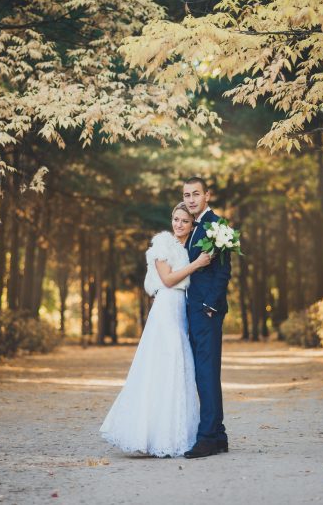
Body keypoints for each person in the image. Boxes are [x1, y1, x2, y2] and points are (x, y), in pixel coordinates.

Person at [100, 202, 212, 457]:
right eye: (175, 219)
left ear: (192, 224)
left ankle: (173, 433)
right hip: (165, 308)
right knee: (161, 364)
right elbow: (168, 279)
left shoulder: (190, 246)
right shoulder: (163, 244)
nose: (179, 224)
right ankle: (146, 433)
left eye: (184, 220)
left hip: (181, 310)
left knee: (178, 367)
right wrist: (197, 264)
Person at [182, 176, 232, 459]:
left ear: (207, 195)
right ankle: (220, 435)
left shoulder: (217, 225)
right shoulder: (189, 228)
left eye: (195, 194)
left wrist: (210, 306)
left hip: (206, 312)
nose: (191, 199)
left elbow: (224, 270)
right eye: (187, 195)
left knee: (207, 374)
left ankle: (207, 438)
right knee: (204, 373)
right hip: (192, 311)